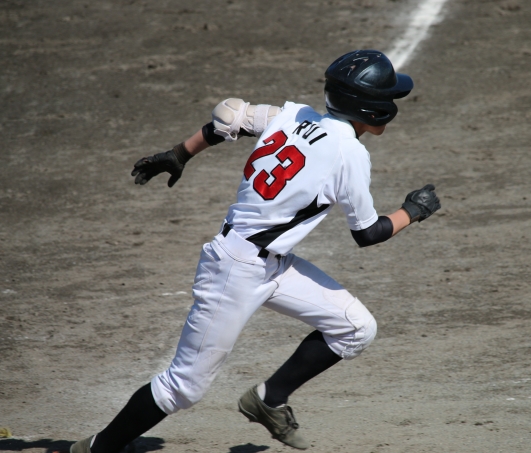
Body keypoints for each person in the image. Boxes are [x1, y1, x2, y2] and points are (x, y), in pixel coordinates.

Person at [65, 49, 440, 453]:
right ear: (373, 108)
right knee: (183, 387)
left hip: (271, 265)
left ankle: (268, 399)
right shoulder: (349, 153)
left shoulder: (294, 115)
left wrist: (180, 153)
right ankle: (95, 449)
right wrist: (412, 211)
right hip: (235, 270)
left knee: (355, 327)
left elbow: (231, 118)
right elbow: (367, 233)